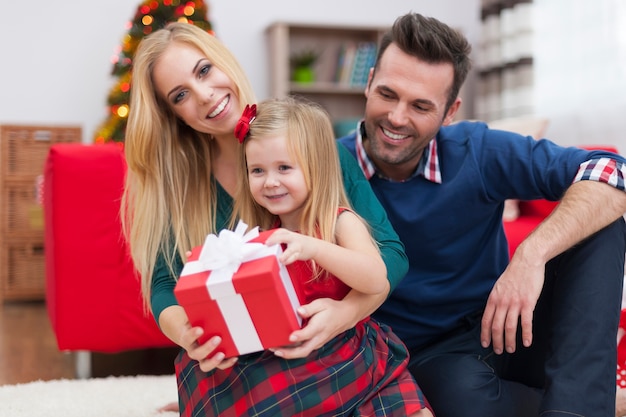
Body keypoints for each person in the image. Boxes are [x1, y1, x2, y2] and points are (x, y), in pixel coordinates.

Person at [338, 12, 626, 417]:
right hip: (428, 354)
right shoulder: (327, 166)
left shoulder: (477, 149)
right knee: (463, 402)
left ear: (450, 111)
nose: (397, 117)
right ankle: (597, 404)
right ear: (368, 84)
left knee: (603, 216)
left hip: (506, 320)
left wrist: (531, 254)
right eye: (387, 94)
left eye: (421, 105)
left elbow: (613, 172)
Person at [121, 22, 408, 416]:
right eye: (181, 95)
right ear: (175, 116)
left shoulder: (310, 145)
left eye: (204, 70)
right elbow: (163, 285)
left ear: (224, 62)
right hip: (245, 355)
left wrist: (346, 314)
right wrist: (189, 336)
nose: (204, 96)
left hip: (332, 342)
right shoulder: (181, 182)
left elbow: (389, 255)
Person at [194, 96, 429, 416]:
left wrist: (313, 247)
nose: (270, 181)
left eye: (284, 168)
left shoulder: (340, 222)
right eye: (257, 170)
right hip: (291, 358)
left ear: (315, 167)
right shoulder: (260, 235)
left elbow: (375, 278)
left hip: (348, 352)